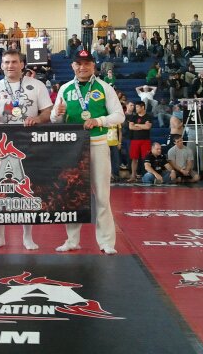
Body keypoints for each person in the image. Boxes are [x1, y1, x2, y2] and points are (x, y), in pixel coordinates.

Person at [50, 49, 124, 254]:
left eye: (87, 63)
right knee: (72, 193)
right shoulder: (65, 88)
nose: (82, 67)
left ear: (93, 66)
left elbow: (119, 116)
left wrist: (99, 120)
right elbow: (55, 120)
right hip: (73, 147)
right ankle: (72, 240)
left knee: (102, 195)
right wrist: (57, 114)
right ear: (73, 66)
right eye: (79, 64)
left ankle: (106, 242)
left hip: (98, 144)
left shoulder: (105, 87)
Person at [0, 49, 53, 250]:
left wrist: (37, 119)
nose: (10, 65)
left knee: (26, 189)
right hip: (1, 145)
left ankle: (27, 236)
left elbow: (48, 112)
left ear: (22, 64)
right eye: (6, 62)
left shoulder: (37, 85)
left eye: (14, 62)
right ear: (1, 65)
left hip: (27, 143)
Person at [128, 100, 152, 183]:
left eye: (138, 107)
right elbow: (131, 127)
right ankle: (133, 176)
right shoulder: (133, 117)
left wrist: (137, 125)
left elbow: (148, 127)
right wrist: (143, 126)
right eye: (136, 107)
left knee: (146, 158)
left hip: (145, 140)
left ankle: (146, 176)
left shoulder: (148, 116)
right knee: (134, 158)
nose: (136, 108)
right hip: (135, 140)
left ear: (143, 107)